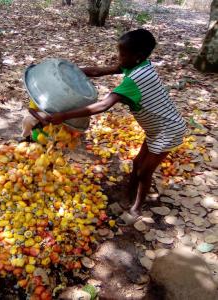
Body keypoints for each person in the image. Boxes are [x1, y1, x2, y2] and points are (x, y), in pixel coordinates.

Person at [42, 28, 187, 219]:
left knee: (144, 171)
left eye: (122, 54)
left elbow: (103, 105)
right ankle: (128, 195)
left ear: (138, 56)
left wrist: (63, 115)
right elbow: (98, 71)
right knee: (137, 163)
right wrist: (69, 74)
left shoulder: (136, 79)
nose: (119, 58)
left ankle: (136, 208)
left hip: (169, 130)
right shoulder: (138, 64)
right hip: (157, 128)